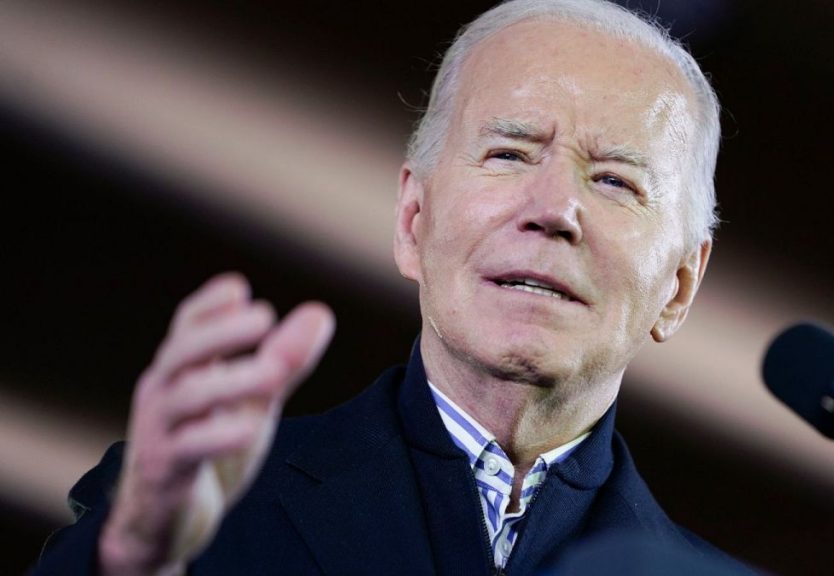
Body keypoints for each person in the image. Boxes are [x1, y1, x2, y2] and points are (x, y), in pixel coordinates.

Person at [34, 0, 748, 574]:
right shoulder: (191, 510)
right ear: (412, 221)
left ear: (680, 286)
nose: (554, 209)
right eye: (508, 152)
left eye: (616, 180)